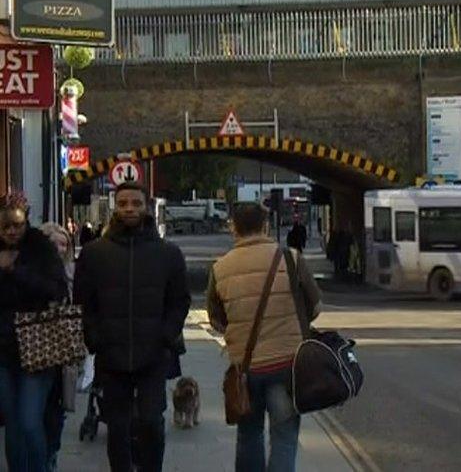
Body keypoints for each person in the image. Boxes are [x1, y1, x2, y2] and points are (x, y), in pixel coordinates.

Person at [73, 182, 190, 472]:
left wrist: (166, 334)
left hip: (153, 354)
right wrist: (94, 337)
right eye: (123, 203)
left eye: (136, 204)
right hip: (111, 354)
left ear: (146, 207)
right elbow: (83, 302)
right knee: (117, 426)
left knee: (152, 421)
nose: (129, 209)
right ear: (115, 206)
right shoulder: (94, 253)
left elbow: (179, 301)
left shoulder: (168, 254)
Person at [207, 202, 321, 472]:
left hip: (246, 370)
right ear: (266, 226)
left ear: (233, 227)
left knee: (248, 435)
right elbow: (314, 307)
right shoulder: (291, 259)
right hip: (287, 365)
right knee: (284, 438)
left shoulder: (220, 269)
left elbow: (215, 320)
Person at [0, 193, 68, 472]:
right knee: (13, 424)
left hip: (37, 346)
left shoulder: (40, 249)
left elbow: (55, 290)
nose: (11, 231)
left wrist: (14, 270)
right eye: (5, 226)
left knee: (29, 421)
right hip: (2, 351)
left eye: (17, 225)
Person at [39, 223, 76, 472]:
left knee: (56, 408)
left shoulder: (74, 273)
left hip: (63, 352)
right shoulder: (29, 269)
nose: (59, 248)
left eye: (63, 243)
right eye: (53, 243)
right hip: (33, 348)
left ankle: (51, 452)